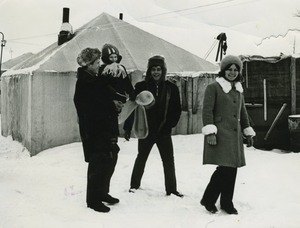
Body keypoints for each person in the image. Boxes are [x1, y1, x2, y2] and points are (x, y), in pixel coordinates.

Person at [200, 55, 256, 214]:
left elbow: (243, 112)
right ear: (223, 70)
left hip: (235, 136)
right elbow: (207, 111)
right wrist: (210, 132)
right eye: (229, 69)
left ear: (239, 72)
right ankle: (209, 200)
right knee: (224, 169)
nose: (232, 72)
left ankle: (226, 203)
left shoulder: (238, 89)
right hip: (220, 134)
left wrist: (248, 131)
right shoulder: (214, 87)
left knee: (232, 169)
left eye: (235, 70)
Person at [124, 55, 183, 197]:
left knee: (168, 160)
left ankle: (171, 189)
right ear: (149, 71)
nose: (156, 72)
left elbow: (176, 109)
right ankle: (134, 186)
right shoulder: (141, 86)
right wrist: (128, 127)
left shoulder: (171, 88)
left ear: (163, 71)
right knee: (141, 157)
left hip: (163, 130)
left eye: (159, 69)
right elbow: (132, 107)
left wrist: (169, 125)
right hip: (146, 129)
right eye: (153, 69)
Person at [74, 47, 123, 213]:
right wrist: (111, 105)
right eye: (96, 63)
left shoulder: (95, 79)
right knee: (98, 163)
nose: (99, 65)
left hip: (105, 127)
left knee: (110, 158)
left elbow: (107, 95)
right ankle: (93, 200)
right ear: (88, 65)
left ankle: (102, 192)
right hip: (95, 130)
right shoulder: (85, 82)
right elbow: (91, 107)